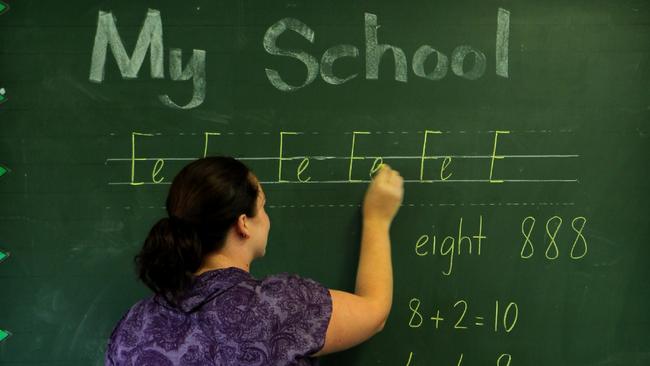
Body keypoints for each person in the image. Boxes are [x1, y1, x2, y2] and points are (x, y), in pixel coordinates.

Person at [105, 156, 404, 365]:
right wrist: (377, 219)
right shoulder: (277, 307)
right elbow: (374, 312)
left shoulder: (135, 325)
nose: (268, 218)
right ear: (243, 224)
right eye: (263, 206)